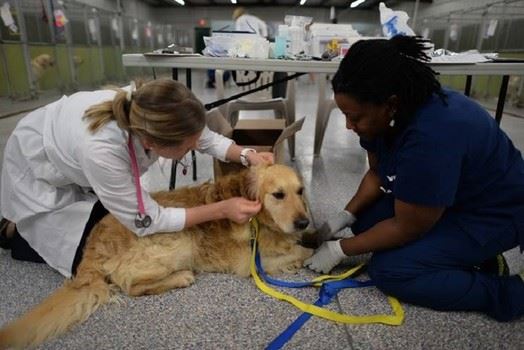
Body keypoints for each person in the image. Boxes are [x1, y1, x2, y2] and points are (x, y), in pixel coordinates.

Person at [304, 36, 524, 322]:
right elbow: (377, 172)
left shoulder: (433, 135)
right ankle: (463, 255)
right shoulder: (385, 119)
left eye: (354, 117)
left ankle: (507, 292)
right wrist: (345, 215)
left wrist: (339, 249)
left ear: (390, 105)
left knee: (391, 270)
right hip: (449, 199)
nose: (348, 126)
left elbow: (408, 227)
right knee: (365, 221)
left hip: (494, 213)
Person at [0, 79, 273, 278]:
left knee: (111, 223)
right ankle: (13, 231)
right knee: (85, 252)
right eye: (188, 147)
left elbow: (205, 137)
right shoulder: (101, 151)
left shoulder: (155, 110)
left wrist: (247, 155)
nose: (194, 148)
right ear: (152, 143)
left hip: (74, 153)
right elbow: (148, 221)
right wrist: (221, 209)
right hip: (37, 165)